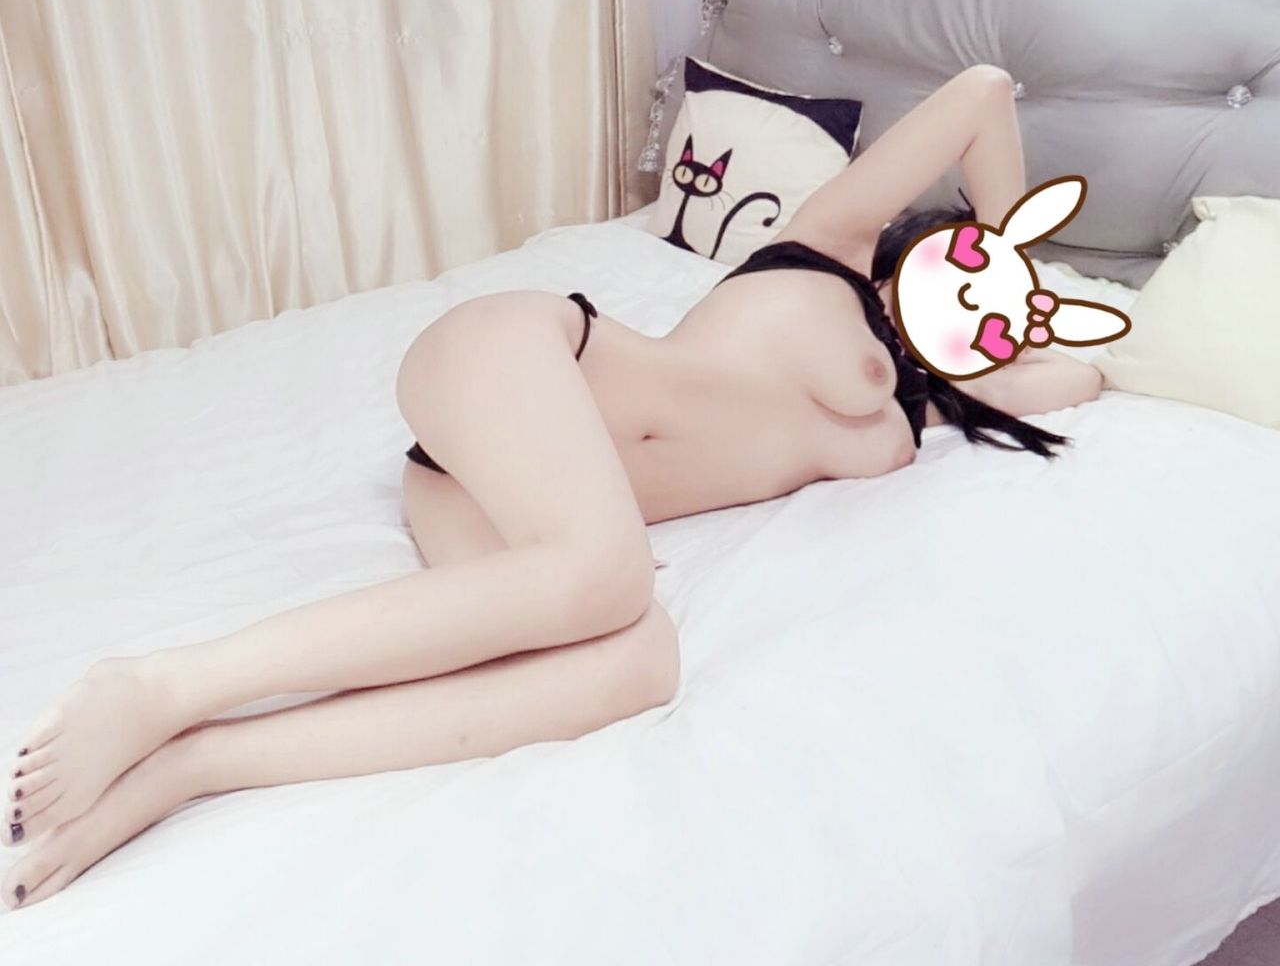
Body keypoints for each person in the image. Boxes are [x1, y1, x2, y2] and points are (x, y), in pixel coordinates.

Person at [2, 64, 1103, 909]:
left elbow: (1083, 375)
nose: (987, 304)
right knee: (610, 574)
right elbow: (981, 93)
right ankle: (164, 685)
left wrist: (1025, 319)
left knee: (638, 662)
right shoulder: (825, 243)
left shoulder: (923, 404)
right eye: (974, 270)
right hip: (524, 355)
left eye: (1001, 314)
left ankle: (193, 766)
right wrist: (1016, 240)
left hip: (477, 494)